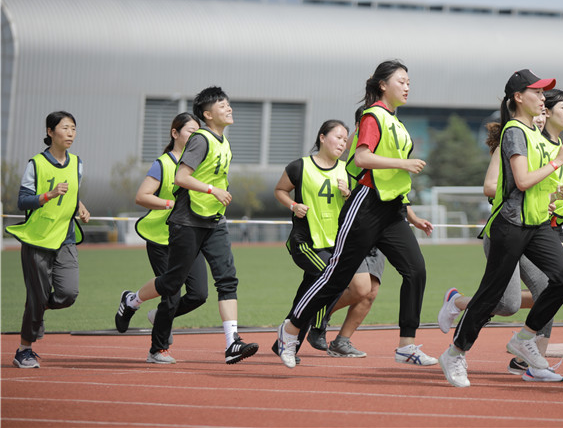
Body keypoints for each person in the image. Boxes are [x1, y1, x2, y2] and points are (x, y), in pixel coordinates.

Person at [275, 59, 435, 369]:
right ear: (382, 85)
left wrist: (410, 213)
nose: (407, 86)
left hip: (392, 210)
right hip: (366, 205)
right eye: (401, 81)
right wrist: (403, 163)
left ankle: (406, 345)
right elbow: (361, 158)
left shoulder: (396, 122)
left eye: (409, 82)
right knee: (336, 276)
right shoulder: (373, 115)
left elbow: (393, 179)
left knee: (416, 271)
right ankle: (290, 329)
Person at [438, 69, 563, 388]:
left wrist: (559, 195)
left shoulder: (535, 134)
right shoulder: (514, 131)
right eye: (536, 92)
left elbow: (539, 185)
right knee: (491, 297)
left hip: (537, 224)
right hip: (510, 226)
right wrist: (557, 161)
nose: (542, 97)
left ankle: (525, 338)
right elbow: (523, 181)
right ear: (518, 97)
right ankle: (455, 353)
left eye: (543, 93)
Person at [114, 86, 259, 364]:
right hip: (187, 221)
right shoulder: (201, 139)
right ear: (208, 114)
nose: (229, 108)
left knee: (227, 279)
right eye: (222, 105)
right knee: (172, 283)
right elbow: (181, 177)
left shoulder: (224, 143)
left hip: (214, 221)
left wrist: (219, 195)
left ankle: (232, 343)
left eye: (228, 104)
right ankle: (132, 301)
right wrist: (212, 191)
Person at [271, 119, 382, 359]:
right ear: (322, 137)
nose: (342, 143)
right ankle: (318, 326)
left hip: (336, 245)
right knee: (333, 280)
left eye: (344, 139)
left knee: (315, 293)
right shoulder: (299, 166)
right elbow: (280, 190)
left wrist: (348, 194)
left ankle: (286, 340)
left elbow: (357, 207)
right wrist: (293, 205)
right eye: (337, 137)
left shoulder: (348, 171)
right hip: (307, 243)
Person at [6, 111, 91, 368]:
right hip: (38, 240)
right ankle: (24, 350)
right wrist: (48, 195)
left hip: (65, 238)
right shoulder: (36, 164)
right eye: (65, 128)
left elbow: (73, 194)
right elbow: (23, 201)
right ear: (50, 131)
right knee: (37, 295)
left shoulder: (77, 163)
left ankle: (38, 305)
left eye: (73, 128)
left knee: (68, 293)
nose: (70, 133)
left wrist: (80, 207)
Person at [133, 112, 208, 364]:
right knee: (171, 293)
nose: (195, 136)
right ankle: (158, 349)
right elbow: (142, 196)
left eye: (198, 132)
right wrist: (170, 204)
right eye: (190, 131)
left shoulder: (200, 165)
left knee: (199, 294)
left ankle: (159, 316)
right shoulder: (163, 164)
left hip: (189, 237)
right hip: (161, 237)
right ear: (175, 133)